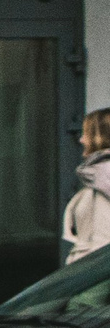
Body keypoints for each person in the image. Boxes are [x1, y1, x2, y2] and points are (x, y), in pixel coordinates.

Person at [63, 108, 110, 264]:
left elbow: (99, 244)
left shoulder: (103, 176)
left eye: (86, 134)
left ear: (99, 136)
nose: (81, 140)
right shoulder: (98, 177)